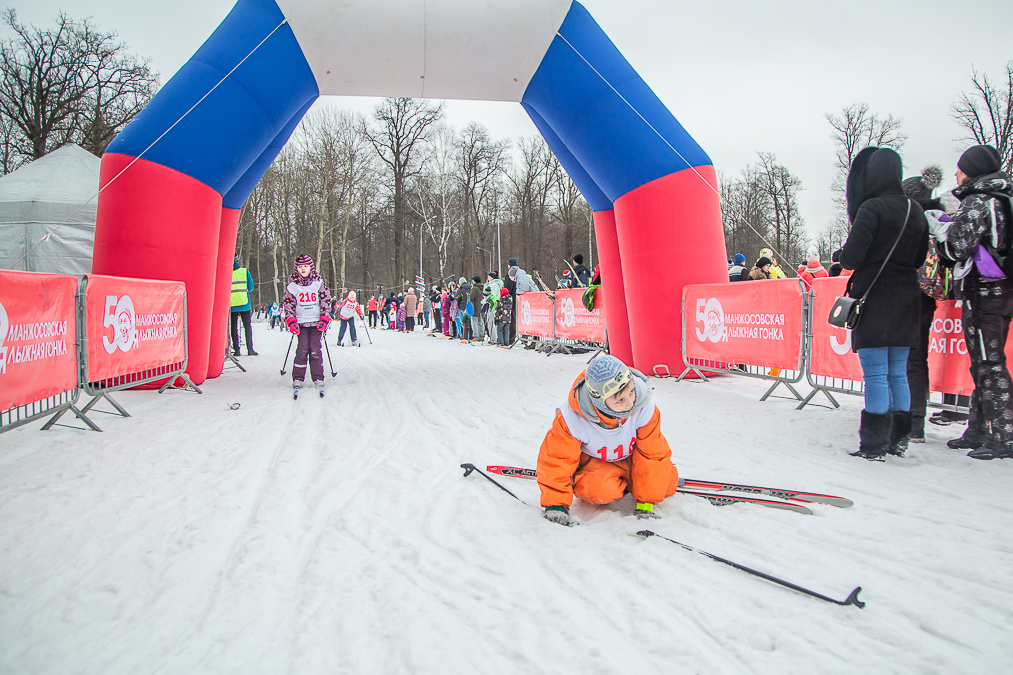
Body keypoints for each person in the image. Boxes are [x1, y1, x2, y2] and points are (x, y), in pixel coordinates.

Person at [840, 147, 928, 460]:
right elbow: (919, 258)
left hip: (875, 298)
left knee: (876, 375)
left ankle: (874, 444)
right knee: (897, 373)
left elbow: (851, 257)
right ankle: (899, 438)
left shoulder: (871, 209)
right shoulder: (914, 210)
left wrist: (840, 255)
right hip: (906, 298)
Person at [932, 144, 1013, 459]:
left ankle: (1004, 434)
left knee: (989, 363)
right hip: (1004, 290)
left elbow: (956, 248)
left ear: (973, 170)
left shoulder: (978, 201)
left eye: (961, 167)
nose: (956, 173)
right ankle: (979, 429)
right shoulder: (1005, 199)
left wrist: (941, 236)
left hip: (983, 292)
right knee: (986, 360)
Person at [536, 355, 681, 525]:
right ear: (599, 402)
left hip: (632, 459)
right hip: (597, 464)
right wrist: (556, 504)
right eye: (620, 399)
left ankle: (640, 481)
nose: (629, 403)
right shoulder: (572, 419)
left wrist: (646, 503)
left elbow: (652, 454)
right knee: (600, 491)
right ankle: (627, 483)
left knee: (666, 485)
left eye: (631, 392)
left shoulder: (643, 408)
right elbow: (557, 459)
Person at [902, 166, 947, 445]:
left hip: (907, 296)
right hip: (927, 298)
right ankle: (916, 421)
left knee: (903, 360)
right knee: (918, 360)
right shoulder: (937, 221)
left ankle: (907, 418)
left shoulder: (911, 221)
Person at [283, 254, 332, 395]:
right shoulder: (293, 286)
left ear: (311, 267)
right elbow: (288, 304)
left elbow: (326, 301)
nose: (303, 269)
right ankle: (298, 377)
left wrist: (324, 318)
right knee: (302, 349)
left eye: (305, 266)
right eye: (300, 267)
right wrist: (291, 321)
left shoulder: (318, 283)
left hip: (316, 322)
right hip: (301, 323)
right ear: (296, 268)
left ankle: (318, 377)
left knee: (315, 349)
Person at [230, 256, 257, 356]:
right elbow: (251, 287)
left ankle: (237, 350)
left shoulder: (226, 272)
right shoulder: (245, 272)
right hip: (244, 303)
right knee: (247, 326)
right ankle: (250, 349)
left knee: (233, 327)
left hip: (232, 304)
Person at [469, 275, 485, 341]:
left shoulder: (475, 288)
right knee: (481, 322)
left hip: (475, 307)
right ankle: (482, 335)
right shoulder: (482, 287)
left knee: (474, 322)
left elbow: (471, 298)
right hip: (481, 306)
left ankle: (475, 335)